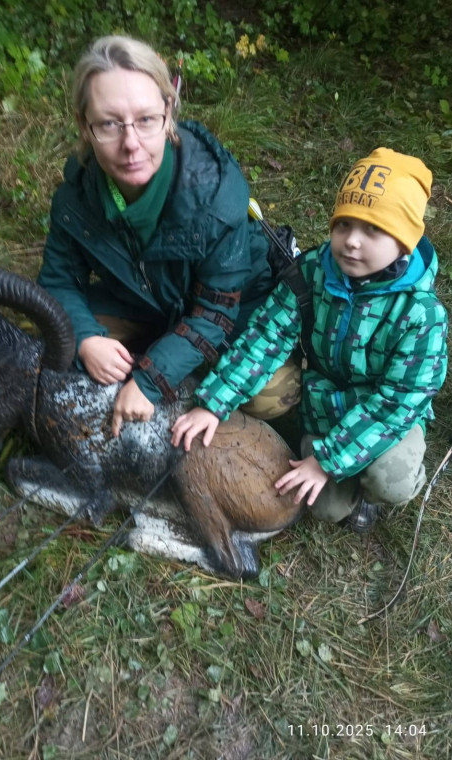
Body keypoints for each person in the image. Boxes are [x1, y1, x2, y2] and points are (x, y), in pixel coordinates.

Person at [171, 148, 448, 533]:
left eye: (372, 230)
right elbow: (264, 337)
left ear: (404, 241)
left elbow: (397, 402)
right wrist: (213, 404)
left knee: (391, 479)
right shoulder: (314, 271)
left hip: (382, 415)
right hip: (323, 403)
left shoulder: (421, 315)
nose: (351, 241)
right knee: (326, 508)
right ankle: (335, 470)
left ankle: (378, 487)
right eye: (344, 224)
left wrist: (326, 461)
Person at [38, 35, 298, 437]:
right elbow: (58, 280)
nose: (131, 144)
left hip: (233, 314)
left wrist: (150, 380)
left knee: (270, 393)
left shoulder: (215, 193)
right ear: (84, 127)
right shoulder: (76, 197)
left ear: (168, 112)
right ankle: (168, 367)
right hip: (149, 304)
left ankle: (171, 375)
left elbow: (215, 313)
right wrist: (87, 339)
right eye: (109, 123)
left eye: (145, 119)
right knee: (61, 338)